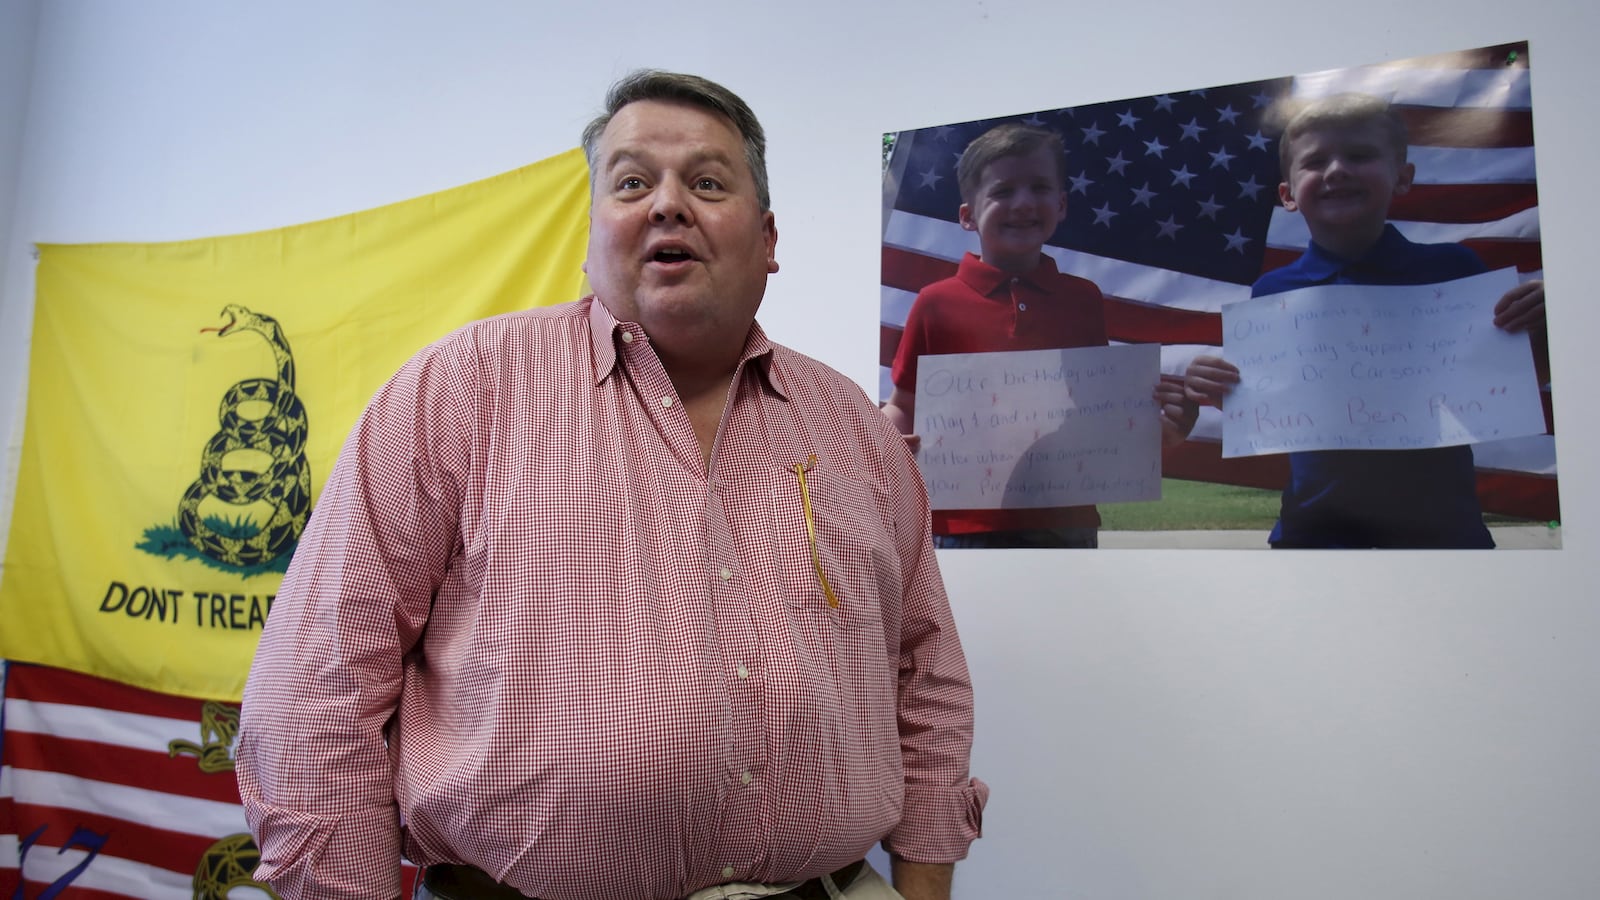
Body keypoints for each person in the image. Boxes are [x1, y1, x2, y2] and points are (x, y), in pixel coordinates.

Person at [236, 70, 986, 900]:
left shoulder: (851, 428)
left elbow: (927, 671)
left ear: (768, 239)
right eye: (632, 183)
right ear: (593, 230)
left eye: (706, 181)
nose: (667, 204)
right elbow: (313, 689)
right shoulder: (460, 391)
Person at [1183, 92, 1548, 548]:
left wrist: (1550, 328)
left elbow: (1524, 379)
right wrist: (1219, 386)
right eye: (1315, 162)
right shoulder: (1272, 295)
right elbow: (1270, 405)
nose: (1336, 170)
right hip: (1314, 534)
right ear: (1287, 194)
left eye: (1360, 156)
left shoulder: (1456, 273)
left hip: (1441, 532)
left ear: (1403, 177)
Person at [881, 123, 1195, 548]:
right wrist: (886, 441)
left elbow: (1098, 411)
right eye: (1003, 191)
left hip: (1067, 520)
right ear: (967, 215)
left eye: (1040, 187)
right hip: (962, 525)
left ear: (1061, 204)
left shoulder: (1083, 299)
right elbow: (905, 405)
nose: (1024, 202)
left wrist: (1162, 431)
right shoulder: (935, 303)